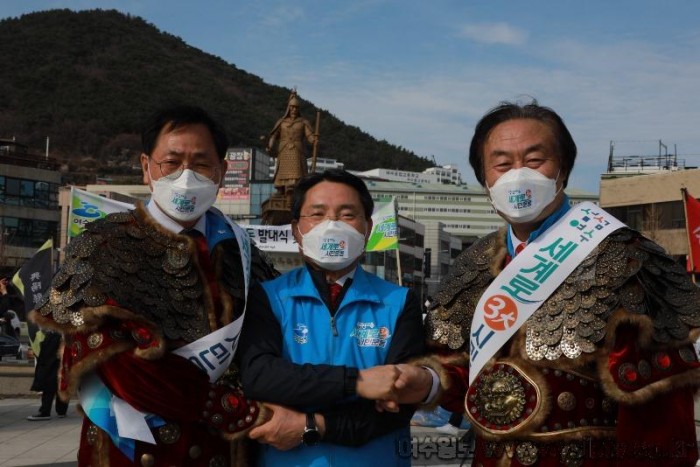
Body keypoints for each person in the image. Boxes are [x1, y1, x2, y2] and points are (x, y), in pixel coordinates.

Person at [390, 100, 700, 466]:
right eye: (502, 164)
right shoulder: (473, 264)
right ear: (485, 179)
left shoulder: (629, 259)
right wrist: (427, 382)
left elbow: (660, 425)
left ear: (563, 169)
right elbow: (458, 370)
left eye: (535, 160)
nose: (517, 175)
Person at [31, 105, 278, 466]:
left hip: (228, 451)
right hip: (134, 451)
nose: (186, 176)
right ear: (147, 167)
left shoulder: (244, 253)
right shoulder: (105, 244)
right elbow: (127, 369)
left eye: (201, 163)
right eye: (172, 162)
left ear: (222, 172)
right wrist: (245, 414)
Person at [238, 169, 430, 466]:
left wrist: (311, 426)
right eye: (317, 214)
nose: (331, 225)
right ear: (296, 230)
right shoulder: (268, 297)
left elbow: (397, 404)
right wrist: (358, 382)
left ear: (367, 229)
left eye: (347, 214)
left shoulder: (399, 302)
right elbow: (261, 377)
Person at [266, 91, 317, 194]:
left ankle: (294, 189)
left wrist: (314, 140)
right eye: (292, 107)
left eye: (296, 107)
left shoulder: (303, 122)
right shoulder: (282, 122)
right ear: (288, 108)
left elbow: (309, 135)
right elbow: (274, 136)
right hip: (284, 149)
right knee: (282, 172)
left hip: (297, 150)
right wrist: (270, 146)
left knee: (297, 173)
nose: (294, 109)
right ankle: (281, 190)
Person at [27, 329, 68, 421]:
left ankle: (45, 411)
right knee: (60, 383)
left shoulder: (52, 335)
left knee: (49, 384)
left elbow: (47, 357)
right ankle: (61, 410)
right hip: (61, 356)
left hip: (52, 352)